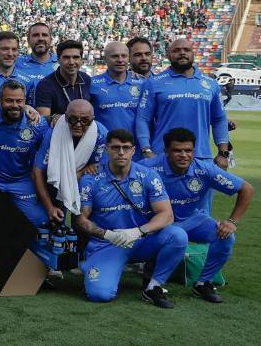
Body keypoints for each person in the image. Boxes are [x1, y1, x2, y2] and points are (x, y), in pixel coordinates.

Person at [75, 129, 188, 308]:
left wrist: (137, 232)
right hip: (108, 244)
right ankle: (92, 265)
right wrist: (108, 235)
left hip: (141, 240)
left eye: (126, 148)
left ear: (133, 150)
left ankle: (154, 287)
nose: (121, 153)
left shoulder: (148, 176)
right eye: (116, 148)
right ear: (106, 149)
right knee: (99, 294)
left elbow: (167, 215)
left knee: (178, 235)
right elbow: (80, 220)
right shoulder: (91, 179)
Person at [141, 128, 254, 303]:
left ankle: (203, 283)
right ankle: (153, 286)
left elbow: (246, 189)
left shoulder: (204, 170)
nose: (183, 155)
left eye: (188, 150)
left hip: (192, 220)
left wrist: (232, 221)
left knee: (225, 237)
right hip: (159, 225)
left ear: (194, 151)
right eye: (177, 150)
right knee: (177, 236)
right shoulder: (147, 168)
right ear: (166, 151)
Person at [135, 38, 231, 174]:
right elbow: (143, 118)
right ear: (168, 54)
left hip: (201, 157)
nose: (182, 53)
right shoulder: (153, 83)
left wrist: (223, 153)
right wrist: (146, 149)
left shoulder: (210, 84)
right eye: (176, 50)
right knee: (160, 196)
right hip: (163, 157)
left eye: (186, 50)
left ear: (193, 54)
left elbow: (219, 119)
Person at [0, 80, 52, 226]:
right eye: (9, 100)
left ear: (25, 101)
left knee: (40, 221)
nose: (14, 105)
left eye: (19, 101)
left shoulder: (37, 123)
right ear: (0, 101)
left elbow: (44, 156)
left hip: (20, 180)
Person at [32, 99, 107, 225]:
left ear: (93, 119)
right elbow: (37, 171)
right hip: (53, 183)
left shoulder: (101, 134)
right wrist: (49, 207)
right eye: (73, 119)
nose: (78, 124)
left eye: (85, 120)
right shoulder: (54, 132)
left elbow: (102, 167)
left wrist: (80, 174)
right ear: (65, 117)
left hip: (84, 186)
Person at [89, 41, 143, 132]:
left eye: (124, 56)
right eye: (115, 56)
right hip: (104, 144)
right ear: (105, 59)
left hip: (135, 144)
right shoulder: (92, 84)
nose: (120, 60)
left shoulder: (142, 83)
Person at [31, 39, 91, 120]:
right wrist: (54, 118)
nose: (71, 62)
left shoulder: (86, 79)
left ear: (81, 60)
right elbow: (43, 120)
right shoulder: (45, 85)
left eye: (76, 57)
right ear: (58, 60)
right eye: (66, 57)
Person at [14, 22, 57, 86]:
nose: (40, 38)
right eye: (35, 35)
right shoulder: (15, 63)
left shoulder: (62, 62)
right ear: (28, 40)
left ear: (51, 40)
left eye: (44, 35)